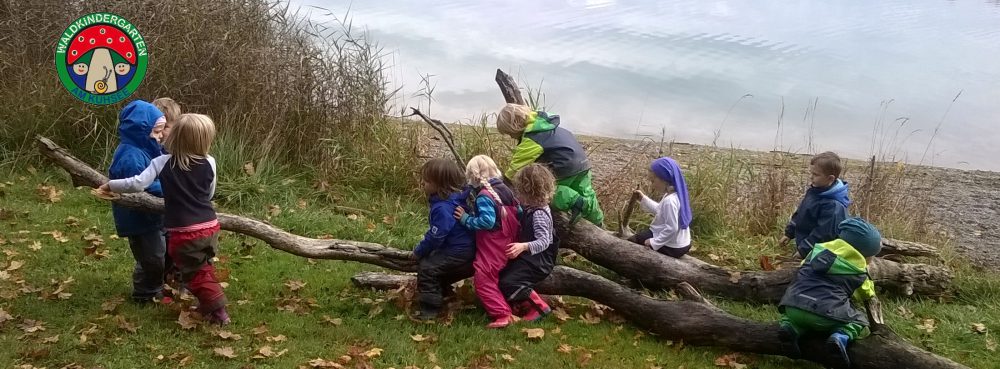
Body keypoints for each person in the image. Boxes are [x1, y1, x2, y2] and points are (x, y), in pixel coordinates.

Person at [98, 114, 230, 325]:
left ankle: (216, 308)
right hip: (210, 226)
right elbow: (209, 193)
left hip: (185, 231)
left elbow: (137, 183)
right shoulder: (210, 162)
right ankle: (207, 300)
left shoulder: (161, 162)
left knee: (193, 272)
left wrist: (111, 185)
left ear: (175, 137)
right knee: (202, 265)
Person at [777, 218, 882, 368]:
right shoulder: (858, 272)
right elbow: (866, 294)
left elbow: (802, 267)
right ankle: (840, 337)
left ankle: (789, 327)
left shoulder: (816, 251)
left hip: (792, 305)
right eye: (871, 257)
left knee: (798, 318)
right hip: (825, 314)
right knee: (858, 320)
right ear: (864, 255)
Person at [495, 103, 604, 226]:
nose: (510, 136)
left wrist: (499, 184)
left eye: (508, 132)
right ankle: (598, 222)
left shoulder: (532, 138)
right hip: (582, 163)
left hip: (564, 167)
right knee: (587, 192)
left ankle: (574, 200)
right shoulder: (547, 125)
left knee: (542, 192)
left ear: (514, 126)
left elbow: (514, 170)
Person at [108, 100, 168, 303]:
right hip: (138, 219)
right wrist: (170, 187)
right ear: (142, 130)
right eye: (157, 131)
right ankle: (145, 293)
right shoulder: (130, 156)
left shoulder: (150, 148)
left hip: (153, 215)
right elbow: (139, 185)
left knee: (160, 252)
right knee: (151, 257)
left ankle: (159, 285)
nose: (161, 136)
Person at [454, 155, 520, 328]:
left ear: (473, 176)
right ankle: (525, 304)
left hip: (493, 245)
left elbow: (487, 221)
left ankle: (502, 314)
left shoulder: (484, 196)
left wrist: (466, 219)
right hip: (509, 240)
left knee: (483, 278)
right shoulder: (506, 189)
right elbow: (518, 211)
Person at [412, 159, 476, 321]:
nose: (423, 184)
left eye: (426, 181)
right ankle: (445, 295)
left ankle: (430, 310)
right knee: (438, 266)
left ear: (439, 185)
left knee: (428, 268)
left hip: (459, 251)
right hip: (465, 248)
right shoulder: (455, 199)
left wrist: (419, 251)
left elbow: (436, 236)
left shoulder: (442, 208)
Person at [499, 164, 559, 322]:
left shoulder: (539, 214)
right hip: (531, 257)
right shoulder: (533, 207)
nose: (518, 195)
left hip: (539, 260)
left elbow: (545, 241)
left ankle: (539, 307)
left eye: (520, 192)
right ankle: (520, 304)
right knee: (505, 274)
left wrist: (523, 246)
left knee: (510, 281)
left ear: (529, 192)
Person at [780, 152, 851, 258]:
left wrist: (804, 251)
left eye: (816, 175)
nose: (811, 177)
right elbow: (802, 213)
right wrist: (789, 233)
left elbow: (823, 234)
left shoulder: (833, 205)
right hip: (805, 244)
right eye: (811, 173)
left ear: (830, 179)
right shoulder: (815, 190)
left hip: (819, 253)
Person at [629, 157, 692, 258]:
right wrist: (643, 199)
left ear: (664, 179)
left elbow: (672, 228)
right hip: (683, 242)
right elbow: (660, 210)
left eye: (653, 181)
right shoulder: (675, 195)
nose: (652, 185)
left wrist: (654, 242)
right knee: (642, 235)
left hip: (673, 246)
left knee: (633, 242)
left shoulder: (669, 201)